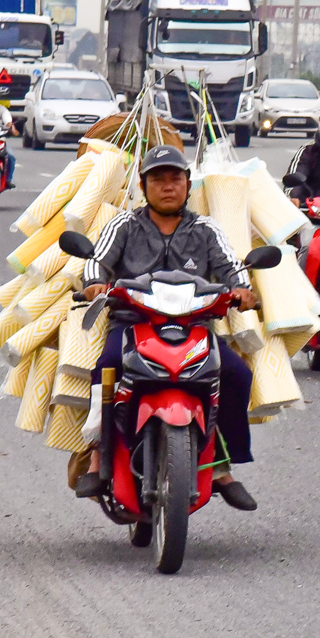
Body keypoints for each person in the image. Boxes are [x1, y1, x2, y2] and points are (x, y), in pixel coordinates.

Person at [73, 145, 261, 510]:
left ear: (188, 185)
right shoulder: (124, 225)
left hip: (195, 326)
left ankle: (223, 467)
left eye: (176, 178)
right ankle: (98, 453)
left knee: (236, 375)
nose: (168, 186)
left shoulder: (206, 228)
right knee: (106, 368)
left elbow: (233, 268)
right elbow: (97, 263)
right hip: (133, 326)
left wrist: (243, 290)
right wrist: (95, 284)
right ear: (144, 187)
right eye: (158, 179)